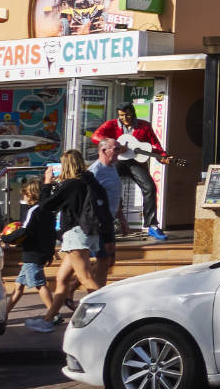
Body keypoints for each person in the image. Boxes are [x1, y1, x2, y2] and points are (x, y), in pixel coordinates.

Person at [38, 149, 105, 328]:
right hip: (86, 232)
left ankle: (109, 311)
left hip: (76, 234)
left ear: (65, 165)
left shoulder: (71, 185)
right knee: (62, 280)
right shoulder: (87, 181)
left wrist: (46, 183)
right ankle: (48, 320)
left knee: (85, 278)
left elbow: (46, 206)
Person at [90, 102, 172, 240]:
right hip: (118, 160)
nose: (124, 118)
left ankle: (152, 226)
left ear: (133, 112)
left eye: (127, 114)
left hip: (136, 162)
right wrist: (115, 145)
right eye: (121, 115)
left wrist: (162, 157)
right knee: (108, 187)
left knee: (150, 188)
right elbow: (95, 136)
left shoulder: (144, 126)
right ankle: (104, 221)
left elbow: (155, 145)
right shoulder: (111, 124)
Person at [4, 180, 60, 326]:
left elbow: (25, 230)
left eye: (25, 194)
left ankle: (54, 314)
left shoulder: (33, 211)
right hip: (40, 252)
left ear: (31, 194)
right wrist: (50, 252)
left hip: (32, 253)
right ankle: (3, 315)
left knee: (39, 284)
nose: (24, 197)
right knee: (18, 287)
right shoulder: (47, 212)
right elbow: (51, 234)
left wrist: (7, 238)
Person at [88, 140, 126, 283]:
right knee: (103, 259)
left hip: (109, 220)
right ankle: (96, 291)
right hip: (98, 221)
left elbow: (116, 195)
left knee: (109, 260)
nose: (119, 153)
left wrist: (121, 218)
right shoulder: (95, 171)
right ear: (104, 150)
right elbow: (87, 198)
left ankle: (74, 285)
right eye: (116, 149)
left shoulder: (113, 168)